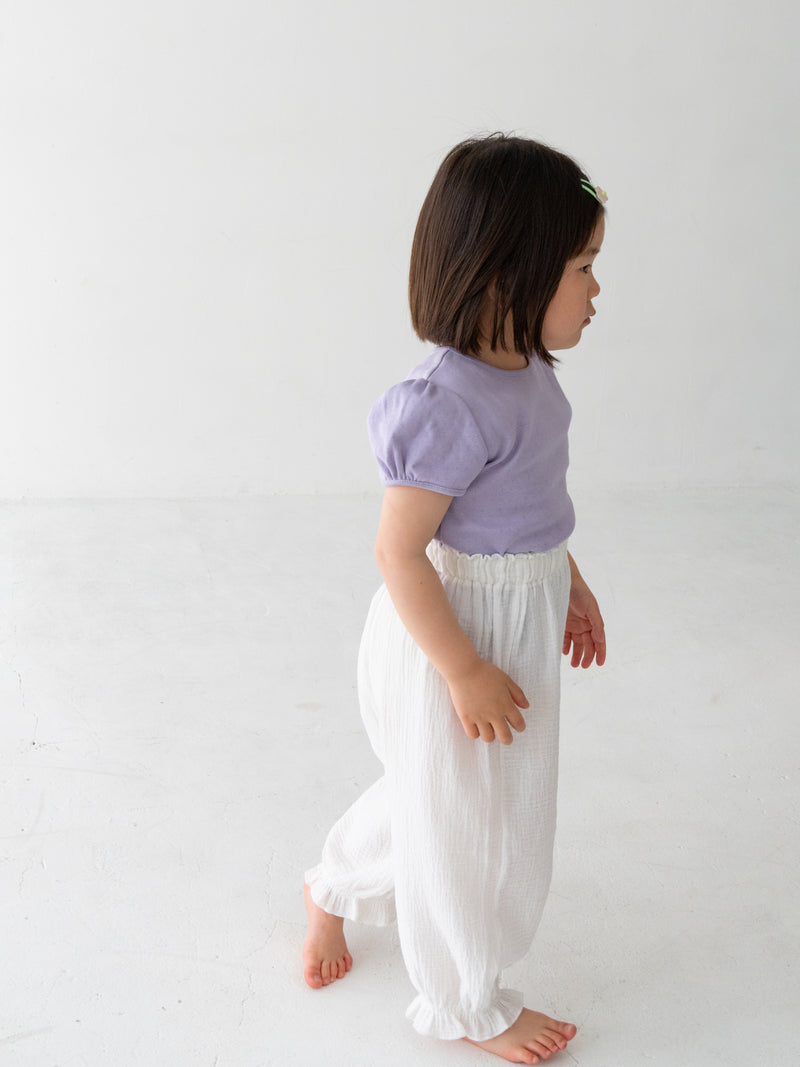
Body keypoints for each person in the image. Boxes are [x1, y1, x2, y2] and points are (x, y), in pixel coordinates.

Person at [302, 133, 608, 1065]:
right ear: (511, 275)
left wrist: (569, 582)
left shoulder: (533, 379)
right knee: (462, 822)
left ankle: (334, 882)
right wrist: (462, 667)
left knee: (449, 800)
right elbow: (400, 553)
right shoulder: (444, 404)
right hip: (453, 633)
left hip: (513, 624)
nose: (597, 289)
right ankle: (463, 999)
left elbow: (530, 508)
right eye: (581, 268)